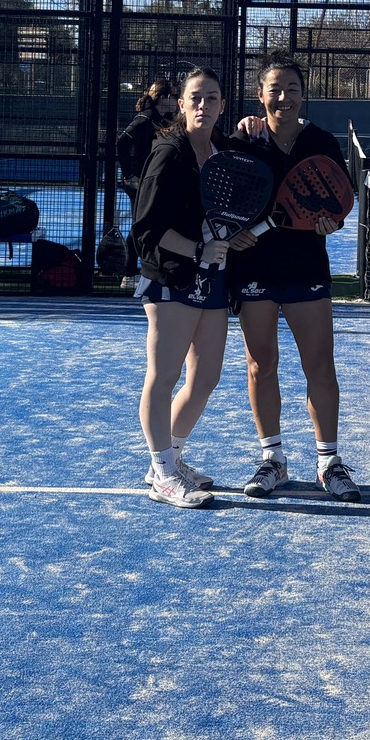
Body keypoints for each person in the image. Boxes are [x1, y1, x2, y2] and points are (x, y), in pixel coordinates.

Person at [229, 53, 361, 503]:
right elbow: (227, 198)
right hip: (254, 269)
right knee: (260, 364)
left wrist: (331, 224)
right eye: (275, 89)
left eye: (292, 89)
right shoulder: (244, 139)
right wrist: (233, 233)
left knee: (319, 365)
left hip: (306, 268)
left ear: (303, 95)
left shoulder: (321, 141)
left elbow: (338, 204)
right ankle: (273, 460)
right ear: (260, 95)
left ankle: (329, 463)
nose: (283, 97)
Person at [129, 66, 257, 508]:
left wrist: (231, 239)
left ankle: (170, 458)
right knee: (164, 376)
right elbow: (147, 228)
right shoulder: (168, 152)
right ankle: (163, 473)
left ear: (223, 105)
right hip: (171, 276)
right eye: (196, 98)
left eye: (212, 98)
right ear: (181, 104)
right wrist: (198, 249)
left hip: (214, 278)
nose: (203, 105)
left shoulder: (225, 150)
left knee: (205, 378)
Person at [116, 79, 177, 203]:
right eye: (174, 96)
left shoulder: (164, 120)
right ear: (162, 98)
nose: (177, 100)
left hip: (152, 177)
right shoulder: (145, 119)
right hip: (141, 179)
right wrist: (129, 175)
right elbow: (122, 142)